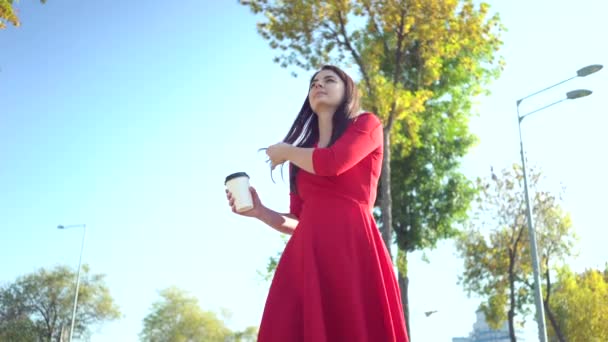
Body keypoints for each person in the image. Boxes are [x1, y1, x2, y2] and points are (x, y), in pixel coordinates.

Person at [226, 65, 409, 342]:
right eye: (313, 83)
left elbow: (333, 163)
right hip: (307, 256)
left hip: (353, 247)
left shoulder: (368, 125)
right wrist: (260, 211)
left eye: (328, 80)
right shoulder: (299, 158)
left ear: (347, 91)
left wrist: (287, 151)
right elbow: (297, 220)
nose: (318, 85)